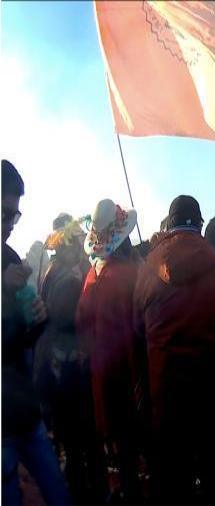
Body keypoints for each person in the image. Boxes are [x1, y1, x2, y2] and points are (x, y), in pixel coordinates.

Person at [133, 195, 215, 502]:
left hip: (164, 388)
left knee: (171, 476)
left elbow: (137, 330)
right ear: (201, 225)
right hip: (211, 389)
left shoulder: (146, 269)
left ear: (169, 225)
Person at [2, 160, 71, 506]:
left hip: (24, 410)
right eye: (4, 215)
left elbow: (15, 340)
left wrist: (37, 320)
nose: (10, 225)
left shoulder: (10, 256)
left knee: (57, 492)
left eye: (14, 216)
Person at [76, 198, 143, 502]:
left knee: (119, 443)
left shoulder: (92, 276)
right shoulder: (129, 275)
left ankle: (123, 489)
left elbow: (82, 325)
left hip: (100, 373)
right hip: (128, 373)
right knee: (132, 440)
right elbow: (141, 326)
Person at [34, 217, 96, 501]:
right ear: (69, 245)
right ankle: (86, 492)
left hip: (52, 361)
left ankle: (76, 485)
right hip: (70, 364)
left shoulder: (48, 271)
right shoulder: (70, 280)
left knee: (68, 437)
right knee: (81, 435)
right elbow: (73, 321)